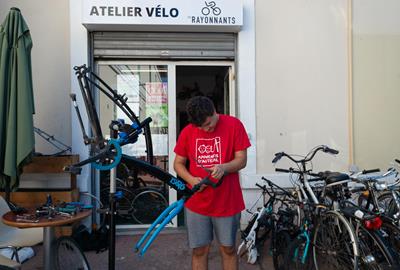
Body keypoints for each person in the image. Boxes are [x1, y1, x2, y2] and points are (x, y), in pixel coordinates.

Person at [174, 96, 251, 270]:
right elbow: (178, 164)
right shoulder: (187, 131)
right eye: (201, 127)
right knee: (199, 251)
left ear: (215, 111)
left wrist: (224, 167)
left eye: (209, 124)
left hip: (227, 201)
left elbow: (242, 160)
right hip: (197, 203)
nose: (206, 129)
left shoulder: (234, 125)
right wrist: (191, 180)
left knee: (228, 249)